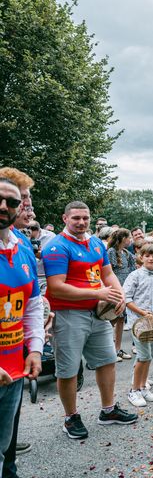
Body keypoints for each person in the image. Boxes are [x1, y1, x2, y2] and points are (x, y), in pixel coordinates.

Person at [43, 201, 138, 439]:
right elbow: (56, 288)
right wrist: (99, 293)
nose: (81, 222)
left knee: (107, 360)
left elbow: (107, 274)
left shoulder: (95, 242)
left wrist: (120, 294)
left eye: (85, 217)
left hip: (98, 313)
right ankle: (71, 417)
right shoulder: (56, 247)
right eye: (76, 218)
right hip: (68, 314)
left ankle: (108, 410)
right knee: (68, 370)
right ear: (65, 219)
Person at [0, 177, 44, 473]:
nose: (4, 206)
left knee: (4, 449)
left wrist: (36, 349)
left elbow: (32, 305)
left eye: (12, 202)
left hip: (13, 371)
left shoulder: (22, 247)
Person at [122, 244, 153, 407]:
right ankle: (133, 390)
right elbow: (127, 299)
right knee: (143, 356)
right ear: (141, 257)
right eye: (147, 255)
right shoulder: (134, 275)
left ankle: (142, 387)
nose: (151, 258)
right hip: (138, 322)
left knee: (150, 355)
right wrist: (142, 312)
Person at [107, 229, 136, 362]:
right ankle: (109, 349)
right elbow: (108, 272)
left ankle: (118, 349)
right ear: (122, 239)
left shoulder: (127, 253)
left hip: (125, 290)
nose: (130, 240)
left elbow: (132, 271)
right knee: (111, 320)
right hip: (115, 289)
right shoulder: (111, 252)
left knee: (120, 319)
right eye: (129, 237)